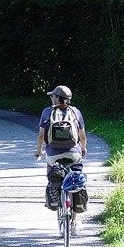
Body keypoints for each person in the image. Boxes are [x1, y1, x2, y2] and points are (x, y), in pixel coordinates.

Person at [34, 85, 87, 233]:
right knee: (76, 180)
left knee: (52, 177)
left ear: (58, 98)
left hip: (53, 155)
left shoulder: (47, 112)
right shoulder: (75, 112)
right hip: (73, 154)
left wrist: (39, 151)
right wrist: (82, 149)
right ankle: (76, 220)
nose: (51, 98)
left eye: (53, 96)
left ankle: (57, 199)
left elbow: (40, 135)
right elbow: (82, 136)